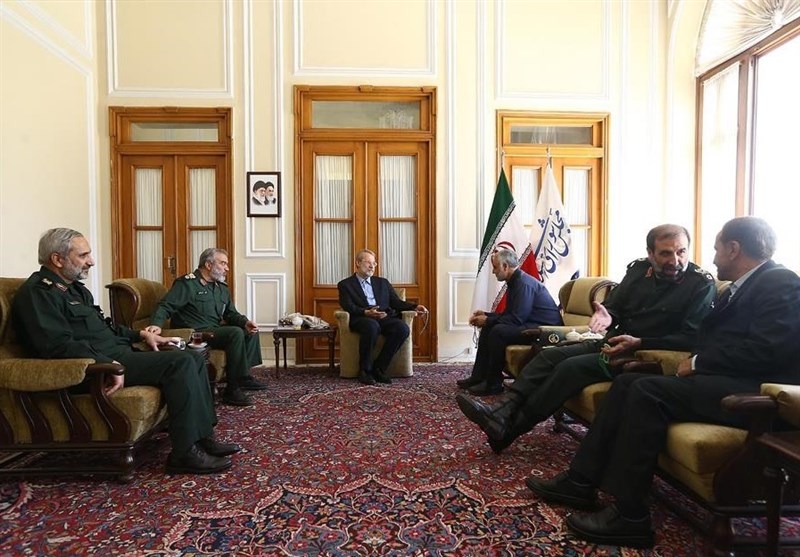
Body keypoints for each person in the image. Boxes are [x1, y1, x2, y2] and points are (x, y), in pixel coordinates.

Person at [526, 216, 800, 548]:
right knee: (628, 383)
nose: (713, 257)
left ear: (733, 248)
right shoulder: (747, 285)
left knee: (646, 391)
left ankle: (631, 516)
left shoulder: (780, 282)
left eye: (716, 248)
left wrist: (698, 363)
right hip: (726, 381)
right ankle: (580, 482)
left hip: (757, 394)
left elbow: (767, 351)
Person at [456, 223, 716, 453]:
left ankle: (509, 430)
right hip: (611, 342)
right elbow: (615, 307)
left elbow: (689, 337)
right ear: (650, 254)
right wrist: (607, 315)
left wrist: (641, 343)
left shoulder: (700, 284)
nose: (675, 260)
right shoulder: (639, 271)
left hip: (642, 355)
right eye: (666, 253)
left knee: (569, 368)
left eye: (681, 252)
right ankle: (502, 409)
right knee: (549, 356)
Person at [12, 228, 239, 475]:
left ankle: (203, 437)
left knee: (193, 357)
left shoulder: (75, 289)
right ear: (57, 259)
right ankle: (184, 454)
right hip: (94, 368)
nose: (91, 261)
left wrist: (142, 335)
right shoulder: (38, 293)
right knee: (181, 362)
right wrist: (108, 364)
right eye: (83, 255)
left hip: (118, 354)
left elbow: (106, 328)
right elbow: (57, 345)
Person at [146, 248, 267, 407]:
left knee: (250, 331)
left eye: (226, 264)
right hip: (194, 333)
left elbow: (230, 313)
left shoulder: (221, 288)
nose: (227, 268)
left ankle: (243, 376)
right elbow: (165, 305)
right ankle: (232, 389)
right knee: (235, 333)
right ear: (208, 265)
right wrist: (156, 324)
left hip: (214, 330)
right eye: (223, 263)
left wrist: (246, 322)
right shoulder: (187, 284)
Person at [457, 247, 562, 395]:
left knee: (497, 331)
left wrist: (488, 320)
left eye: (495, 267)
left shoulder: (523, 284)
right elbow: (511, 314)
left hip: (544, 330)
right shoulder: (515, 281)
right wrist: (487, 316)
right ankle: (478, 377)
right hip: (529, 323)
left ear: (505, 266)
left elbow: (516, 318)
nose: (493, 272)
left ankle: (493, 384)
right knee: (489, 328)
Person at [338, 249, 428, 385]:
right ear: (357, 263)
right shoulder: (345, 284)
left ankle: (379, 367)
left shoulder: (382, 283)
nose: (372, 266)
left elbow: (395, 302)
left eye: (374, 263)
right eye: (368, 262)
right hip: (362, 318)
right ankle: (365, 371)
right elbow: (348, 306)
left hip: (383, 317)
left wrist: (414, 307)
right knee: (371, 326)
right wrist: (366, 312)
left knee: (402, 328)